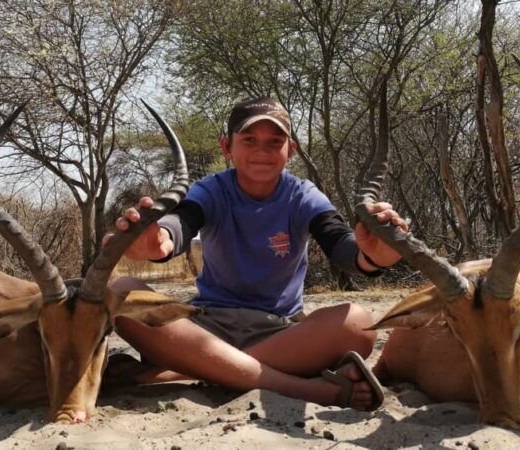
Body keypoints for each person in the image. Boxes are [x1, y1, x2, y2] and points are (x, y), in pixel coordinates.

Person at [106, 97, 408, 411]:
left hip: (277, 332)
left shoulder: (303, 195)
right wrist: (158, 242)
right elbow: (180, 223)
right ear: (227, 147)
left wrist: (375, 255)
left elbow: (343, 246)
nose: (261, 151)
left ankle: (182, 372)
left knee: (358, 323)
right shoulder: (211, 190)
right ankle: (309, 390)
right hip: (203, 328)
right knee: (119, 292)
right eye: (249, 139)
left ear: (290, 150)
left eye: (274, 141)